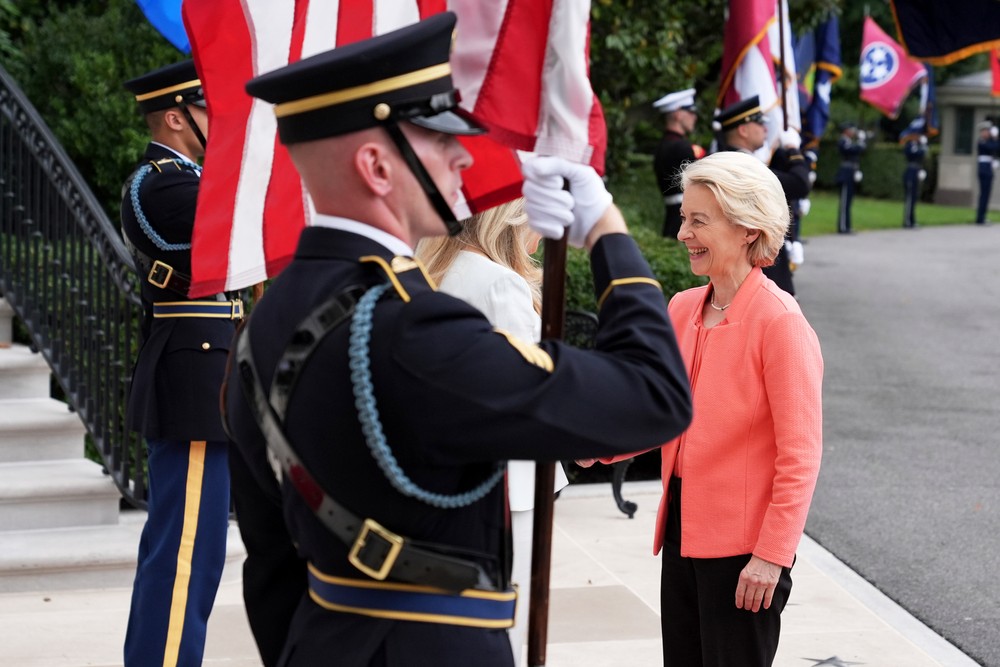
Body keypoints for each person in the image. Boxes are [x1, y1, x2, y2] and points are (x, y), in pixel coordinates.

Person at [221, 13, 692, 666]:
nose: (464, 157)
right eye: (441, 139)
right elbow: (655, 395)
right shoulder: (410, 328)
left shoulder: (266, 321)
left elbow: (270, 560)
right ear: (376, 167)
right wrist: (606, 230)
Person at [583, 151, 823, 666]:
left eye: (698, 220)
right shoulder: (682, 307)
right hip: (681, 531)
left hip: (745, 553)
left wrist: (771, 555)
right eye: (684, 218)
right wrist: (590, 446)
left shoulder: (781, 323)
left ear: (748, 228)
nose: (682, 233)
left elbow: (800, 457)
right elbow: (659, 414)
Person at [415, 198, 569, 666]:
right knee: (506, 629)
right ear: (512, 218)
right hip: (506, 483)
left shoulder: (432, 270)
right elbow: (535, 390)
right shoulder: (498, 282)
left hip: (445, 480)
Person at [120, 60, 235, 666]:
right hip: (193, 378)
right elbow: (245, 227)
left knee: (193, 548)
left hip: (209, 374)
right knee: (185, 551)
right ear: (175, 117)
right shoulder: (162, 184)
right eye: (206, 108)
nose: (219, 119)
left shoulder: (192, 180)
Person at [714, 96, 810, 296]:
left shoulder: (728, 161)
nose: (765, 129)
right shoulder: (745, 167)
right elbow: (800, 184)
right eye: (759, 124)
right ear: (743, 130)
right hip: (759, 266)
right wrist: (793, 149)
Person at [653, 87, 700, 238]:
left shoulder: (663, 145)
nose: (694, 117)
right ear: (678, 114)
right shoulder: (681, 147)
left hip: (672, 218)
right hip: (685, 219)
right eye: (691, 112)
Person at [835, 122, 866, 234]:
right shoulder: (843, 141)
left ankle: (847, 226)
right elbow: (852, 150)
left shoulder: (849, 142)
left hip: (851, 173)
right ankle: (843, 226)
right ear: (846, 130)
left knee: (848, 201)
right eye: (851, 129)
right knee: (844, 202)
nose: (853, 132)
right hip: (845, 174)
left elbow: (860, 151)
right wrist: (861, 141)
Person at [900, 118, 928, 229]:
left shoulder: (917, 145)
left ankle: (912, 220)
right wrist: (922, 147)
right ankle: (907, 221)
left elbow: (922, 156)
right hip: (911, 172)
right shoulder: (909, 145)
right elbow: (914, 154)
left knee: (914, 197)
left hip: (916, 171)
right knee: (910, 198)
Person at [975, 120, 1000, 225]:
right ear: (983, 132)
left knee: (986, 194)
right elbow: (994, 147)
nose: (988, 133)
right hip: (984, 170)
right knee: (984, 194)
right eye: (986, 131)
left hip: (987, 168)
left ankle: (982, 216)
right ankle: (980, 218)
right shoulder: (982, 141)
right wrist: (995, 138)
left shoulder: (987, 141)